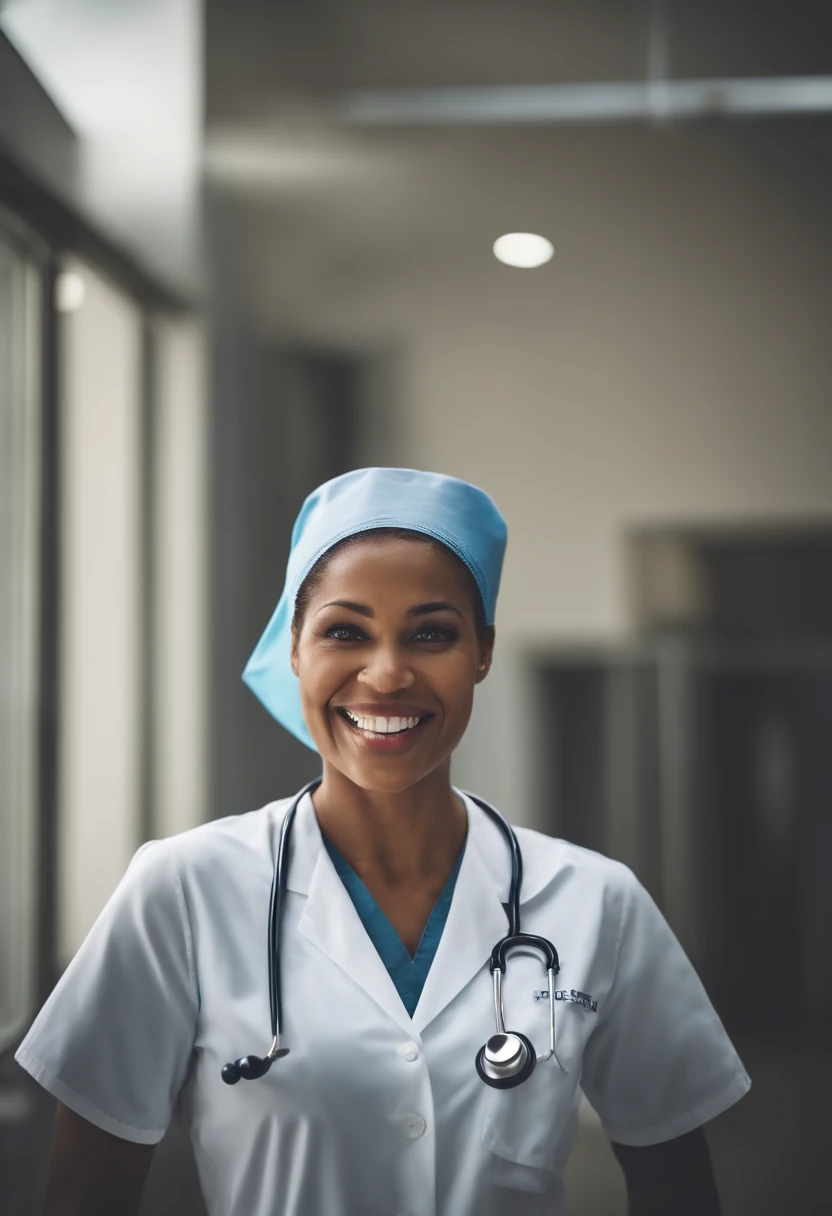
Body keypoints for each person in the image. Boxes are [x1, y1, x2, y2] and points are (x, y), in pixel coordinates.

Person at [16, 467, 750, 1216]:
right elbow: (81, 1198)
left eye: (431, 633)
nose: (389, 672)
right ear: (295, 649)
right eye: (345, 631)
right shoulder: (179, 889)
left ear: (483, 652)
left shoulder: (596, 903)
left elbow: (680, 1190)